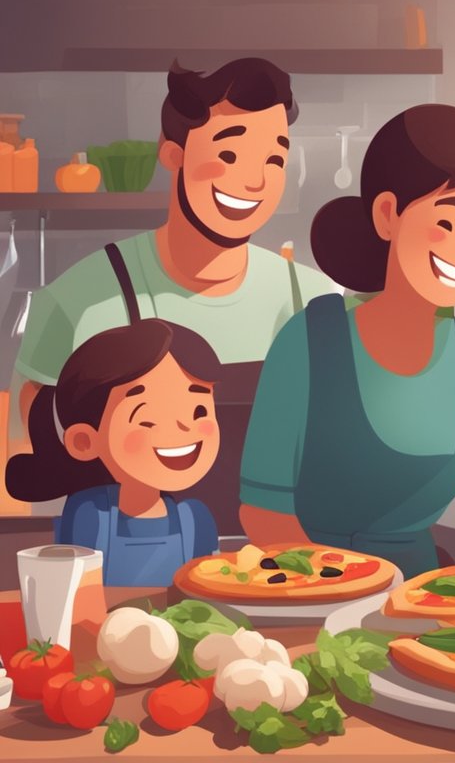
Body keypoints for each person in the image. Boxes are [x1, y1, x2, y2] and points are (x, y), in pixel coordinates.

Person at [10, 58, 332, 537]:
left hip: (282, 568)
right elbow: (34, 452)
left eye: (274, 159)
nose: (255, 181)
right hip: (136, 568)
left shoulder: (315, 300)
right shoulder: (82, 299)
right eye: (228, 155)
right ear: (172, 154)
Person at [238, 104, 455, 576]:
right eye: (449, 220)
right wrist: (332, 583)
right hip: (305, 581)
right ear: (387, 215)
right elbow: (264, 511)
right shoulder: (310, 340)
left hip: (419, 591)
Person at [6, 320, 222, 586]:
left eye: (199, 411)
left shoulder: (195, 520)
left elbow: (208, 592)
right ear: (85, 441)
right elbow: (82, 596)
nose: (183, 427)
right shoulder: (90, 514)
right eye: (147, 418)